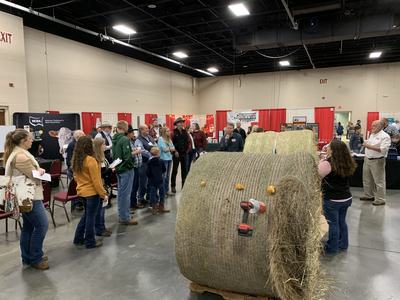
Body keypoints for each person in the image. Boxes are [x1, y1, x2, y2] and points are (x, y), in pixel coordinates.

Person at [4, 129, 49, 270]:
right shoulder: (21, 156)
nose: (32, 141)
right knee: (42, 225)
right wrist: (40, 171)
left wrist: (37, 170)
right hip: (29, 197)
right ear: (23, 141)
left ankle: (28, 257)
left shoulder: (19, 153)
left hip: (26, 196)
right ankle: (36, 257)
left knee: (29, 227)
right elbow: (34, 176)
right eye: (30, 139)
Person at [318, 139, 357, 254]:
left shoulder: (328, 163)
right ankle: (343, 244)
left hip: (332, 200)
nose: (327, 149)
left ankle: (332, 247)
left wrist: (321, 160)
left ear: (333, 150)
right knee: (341, 221)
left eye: (329, 147)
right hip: (346, 197)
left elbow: (317, 173)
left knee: (333, 223)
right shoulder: (347, 161)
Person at [72, 136, 108, 248]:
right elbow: (96, 181)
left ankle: (78, 238)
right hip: (92, 193)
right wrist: (103, 194)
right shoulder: (91, 160)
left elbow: (75, 177)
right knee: (90, 218)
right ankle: (90, 242)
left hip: (82, 191)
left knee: (87, 215)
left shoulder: (76, 160)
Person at [112, 120, 138, 225]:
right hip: (126, 169)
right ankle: (125, 217)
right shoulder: (124, 139)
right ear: (125, 128)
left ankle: (123, 213)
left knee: (121, 193)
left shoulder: (115, 138)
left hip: (118, 168)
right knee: (125, 194)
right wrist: (131, 165)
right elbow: (127, 157)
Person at [360, 120, 391, 206]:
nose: (372, 127)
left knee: (379, 181)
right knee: (367, 179)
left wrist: (369, 146)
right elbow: (371, 145)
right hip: (367, 159)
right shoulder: (372, 134)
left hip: (377, 161)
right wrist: (368, 144)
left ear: (381, 126)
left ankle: (381, 199)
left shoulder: (385, 136)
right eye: (372, 125)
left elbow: (382, 149)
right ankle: (369, 195)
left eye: (374, 126)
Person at [92, 138, 113, 238]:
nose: (105, 146)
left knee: (103, 208)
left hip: (105, 184)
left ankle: (102, 227)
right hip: (100, 186)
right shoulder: (95, 158)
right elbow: (99, 174)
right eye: (103, 144)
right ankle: (99, 229)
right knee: (100, 210)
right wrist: (109, 171)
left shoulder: (102, 157)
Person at [136, 124, 155, 205]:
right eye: (145, 128)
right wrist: (152, 154)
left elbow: (155, 145)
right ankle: (140, 198)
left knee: (150, 181)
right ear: (141, 130)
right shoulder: (138, 140)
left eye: (148, 128)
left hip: (151, 163)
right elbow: (142, 151)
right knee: (142, 182)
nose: (147, 130)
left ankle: (148, 196)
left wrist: (156, 151)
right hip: (144, 163)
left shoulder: (150, 137)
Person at [127, 125, 144, 211]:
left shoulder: (132, 141)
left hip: (137, 166)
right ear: (129, 134)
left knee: (136, 186)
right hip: (133, 167)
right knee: (133, 187)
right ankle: (131, 204)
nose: (134, 134)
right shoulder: (127, 142)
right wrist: (136, 151)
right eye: (132, 133)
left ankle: (134, 203)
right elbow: (128, 154)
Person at [146, 147, 169, 214]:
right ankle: (161, 206)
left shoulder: (149, 162)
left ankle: (154, 207)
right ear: (158, 153)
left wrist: (150, 177)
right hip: (160, 180)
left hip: (152, 181)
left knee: (152, 193)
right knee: (162, 193)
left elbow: (147, 172)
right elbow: (164, 170)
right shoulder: (161, 161)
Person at [171, 117, 190, 193]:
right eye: (180, 122)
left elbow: (188, 142)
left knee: (184, 170)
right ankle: (173, 186)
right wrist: (175, 151)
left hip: (184, 153)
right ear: (176, 124)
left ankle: (184, 186)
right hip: (176, 154)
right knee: (175, 170)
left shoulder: (185, 132)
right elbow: (171, 143)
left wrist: (187, 150)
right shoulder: (173, 132)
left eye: (182, 122)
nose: (181, 123)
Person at [158, 127, 175, 196]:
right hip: (163, 159)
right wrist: (170, 149)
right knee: (163, 176)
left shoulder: (169, 139)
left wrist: (169, 149)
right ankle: (162, 192)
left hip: (169, 158)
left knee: (168, 176)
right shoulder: (160, 139)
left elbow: (173, 148)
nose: (169, 132)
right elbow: (164, 150)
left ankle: (167, 190)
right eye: (168, 131)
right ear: (164, 132)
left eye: (169, 131)